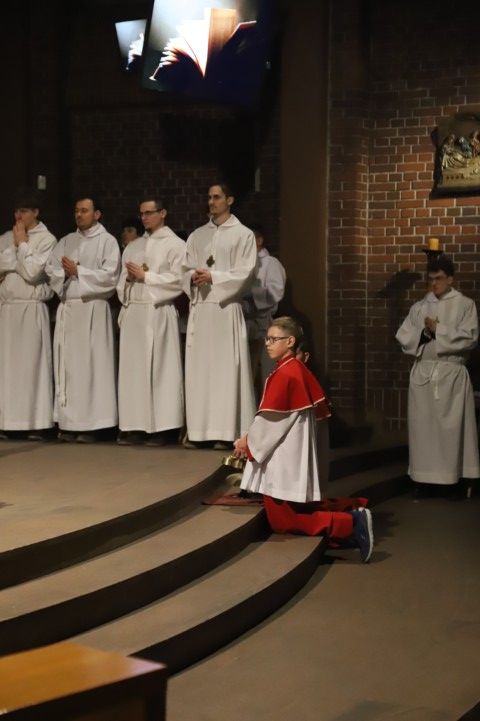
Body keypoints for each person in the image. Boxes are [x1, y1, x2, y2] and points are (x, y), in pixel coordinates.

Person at [234, 316, 374, 563]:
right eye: (267, 338)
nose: (267, 343)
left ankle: (351, 522)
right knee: (296, 511)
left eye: (273, 339)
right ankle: (352, 512)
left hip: (282, 460)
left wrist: (247, 441)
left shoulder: (287, 373)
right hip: (290, 454)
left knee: (284, 520)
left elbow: (272, 421)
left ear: (290, 341)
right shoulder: (294, 369)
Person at [396, 255, 479, 497]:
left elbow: (470, 337)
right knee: (423, 430)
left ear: (450, 279)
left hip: (450, 375)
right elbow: (403, 336)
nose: (434, 284)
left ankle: (454, 482)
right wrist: (424, 333)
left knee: (451, 430)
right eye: (431, 279)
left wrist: (439, 329)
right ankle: (423, 482)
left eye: (439, 278)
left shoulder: (465, 305)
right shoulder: (419, 307)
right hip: (424, 374)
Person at [182, 182, 257, 449]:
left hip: (225, 308)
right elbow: (184, 268)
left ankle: (226, 433)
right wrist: (192, 276)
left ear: (230, 200)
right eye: (209, 197)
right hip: (201, 308)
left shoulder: (243, 234)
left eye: (217, 197)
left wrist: (213, 276)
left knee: (226, 370)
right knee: (200, 371)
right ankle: (199, 432)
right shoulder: (197, 235)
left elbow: (246, 272)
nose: (212, 202)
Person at [46, 196, 121, 442]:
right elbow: (50, 270)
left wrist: (79, 271)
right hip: (70, 309)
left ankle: (95, 426)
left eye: (85, 210)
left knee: (93, 367)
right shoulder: (66, 241)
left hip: (93, 309)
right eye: (77, 210)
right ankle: (70, 424)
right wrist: (65, 274)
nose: (79, 215)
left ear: (97, 214)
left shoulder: (108, 241)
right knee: (70, 368)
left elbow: (110, 277)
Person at [116, 197, 185, 445]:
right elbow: (120, 281)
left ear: (162, 213)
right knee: (133, 371)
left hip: (158, 310)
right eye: (142, 213)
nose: (144, 218)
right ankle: (135, 425)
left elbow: (179, 280)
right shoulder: (133, 246)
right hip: (135, 311)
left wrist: (147, 277)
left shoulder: (175, 245)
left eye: (149, 213)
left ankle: (163, 428)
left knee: (160, 370)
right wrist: (128, 281)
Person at [0, 191, 57, 439]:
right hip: (8, 309)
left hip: (32, 308)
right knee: (8, 368)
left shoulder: (47, 239)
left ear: (35, 212)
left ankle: (36, 423)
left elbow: (33, 272)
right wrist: (16, 254)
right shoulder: (6, 237)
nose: (18, 216)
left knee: (32, 367)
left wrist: (22, 245)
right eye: (16, 211)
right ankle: (9, 422)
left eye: (23, 211)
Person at [242, 225, 286, 396]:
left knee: (264, 372)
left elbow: (276, 291)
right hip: (242, 322)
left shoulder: (270, 263)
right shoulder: (243, 264)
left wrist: (250, 293)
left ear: (259, 240)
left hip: (261, 323)